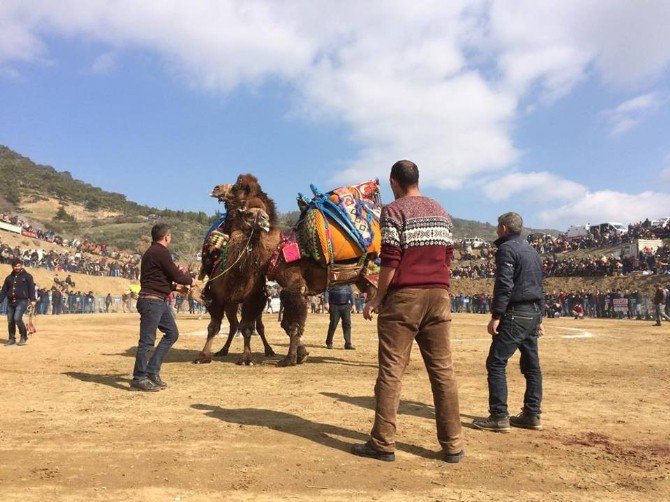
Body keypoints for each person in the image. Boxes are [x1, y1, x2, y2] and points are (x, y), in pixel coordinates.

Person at [351, 160, 463, 463]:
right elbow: (448, 256)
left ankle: (383, 442)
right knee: (443, 373)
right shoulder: (441, 210)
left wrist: (376, 298)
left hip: (404, 298)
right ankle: (452, 444)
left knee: (391, 371)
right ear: (418, 179)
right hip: (439, 295)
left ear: (392, 182)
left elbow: (391, 259)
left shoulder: (394, 210)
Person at [473, 212, 545, 433]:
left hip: (516, 313)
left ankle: (499, 416)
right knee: (532, 366)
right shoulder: (531, 250)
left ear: (503, 228)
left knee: (496, 362)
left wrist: (496, 316)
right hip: (532, 312)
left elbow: (504, 284)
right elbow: (539, 284)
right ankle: (532, 415)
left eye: (498, 227)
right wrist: (539, 317)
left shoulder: (506, 249)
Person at [130, 223, 193, 392]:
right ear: (166, 237)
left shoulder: (153, 252)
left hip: (158, 300)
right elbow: (175, 274)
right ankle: (139, 378)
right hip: (152, 301)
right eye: (170, 236)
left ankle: (151, 370)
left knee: (172, 333)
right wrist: (191, 280)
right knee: (147, 341)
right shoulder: (160, 251)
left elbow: (157, 279)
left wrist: (175, 288)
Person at [0, 258, 37, 346]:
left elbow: (31, 288)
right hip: (10, 302)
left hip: (22, 301)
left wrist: (33, 299)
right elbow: (4, 290)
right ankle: (11, 339)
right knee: (10, 321)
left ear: (21, 266)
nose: (17, 267)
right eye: (15, 266)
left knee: (17, 318)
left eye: (18, 265)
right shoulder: (9, 278)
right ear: (12, 267)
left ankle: (23, 336)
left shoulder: (28, 276)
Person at [324, 283, 356, 349]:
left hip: (346, 306)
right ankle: (329, 342)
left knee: (347, 324)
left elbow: (351, 293)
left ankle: (348, 344)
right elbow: (326, 292)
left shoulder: (348, 283)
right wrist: (326, 302)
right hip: (334, 305)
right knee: (333, 324)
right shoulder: (332, 283)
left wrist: (353, 304)